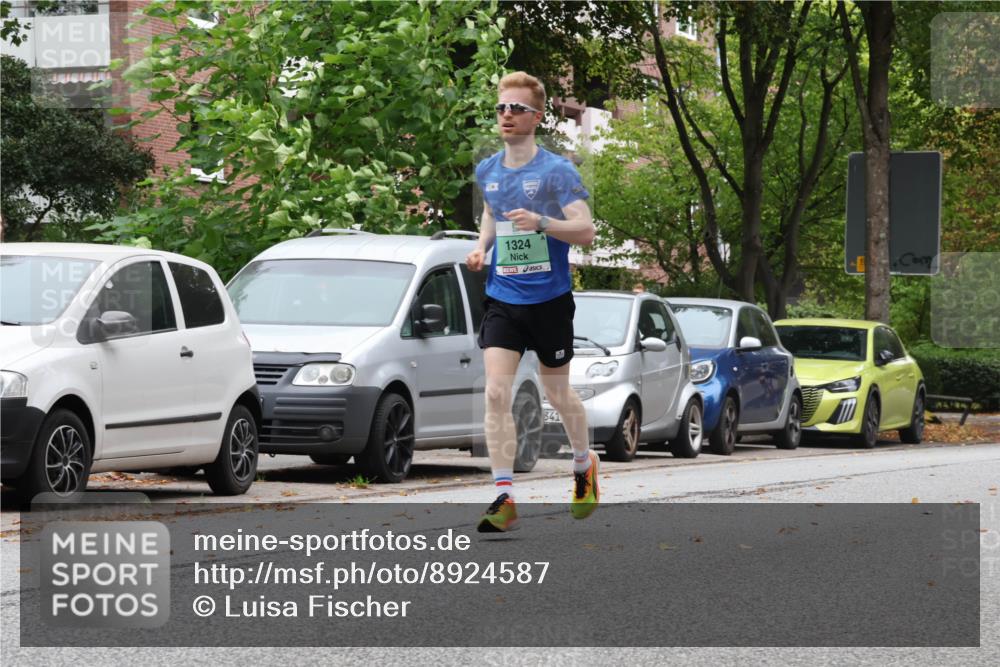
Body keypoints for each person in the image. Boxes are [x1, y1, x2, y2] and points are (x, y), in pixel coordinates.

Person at [465, 71, 599, 532]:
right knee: (495, 391)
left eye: (517, 108)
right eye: (502, 107)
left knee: (556, 392)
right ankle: (503, 496)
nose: (507, 115)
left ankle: (584, 464)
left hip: (550, 299)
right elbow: (490, 210)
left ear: (536, 117)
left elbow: (586, 231)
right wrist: (483, 245)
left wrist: (543, 222)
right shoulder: (488, 170)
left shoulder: (557, 171)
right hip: (504, 296)